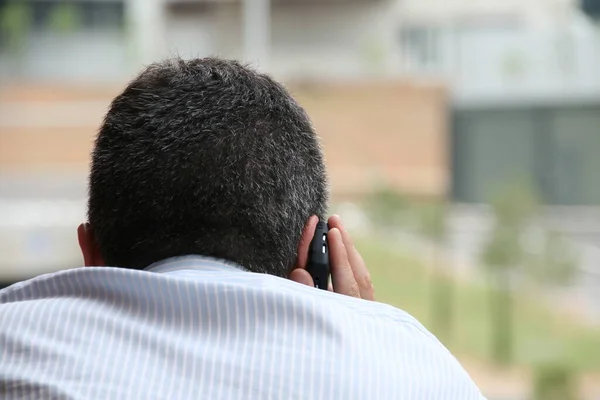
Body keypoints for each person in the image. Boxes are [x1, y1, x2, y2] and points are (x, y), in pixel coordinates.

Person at [0, 58, 484, 399]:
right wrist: (370, 346)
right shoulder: (421, 375)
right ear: (312, 252)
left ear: (91, 252)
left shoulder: (13, 347)